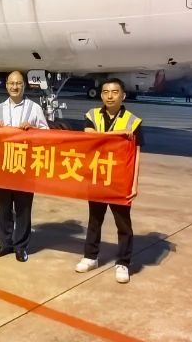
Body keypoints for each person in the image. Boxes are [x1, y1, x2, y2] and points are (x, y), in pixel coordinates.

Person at [75, 78, 142, 284]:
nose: (110, 96)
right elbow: (90, 137)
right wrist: (119, 134)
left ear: (123, 95)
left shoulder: (133, 121)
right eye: (105, 92)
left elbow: (137, 154)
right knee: (94, 219)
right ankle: (91, 256)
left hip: (120, 179)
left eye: (114, 92)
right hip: (97, 176)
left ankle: (123, 262)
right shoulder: (92, 115)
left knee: (123, 223)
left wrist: (134, 183)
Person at [0, 70, 48, 262]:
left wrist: (33, 129)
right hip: (3, 166)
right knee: (4, 207)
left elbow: (46, 134)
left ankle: (21, 246)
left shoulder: (34, 108)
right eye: (11, 83)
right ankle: (5, 243)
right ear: (6, 85)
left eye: (18, 83)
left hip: (24, 166)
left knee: (23, 208)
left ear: (24, 86)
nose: (15, 87)